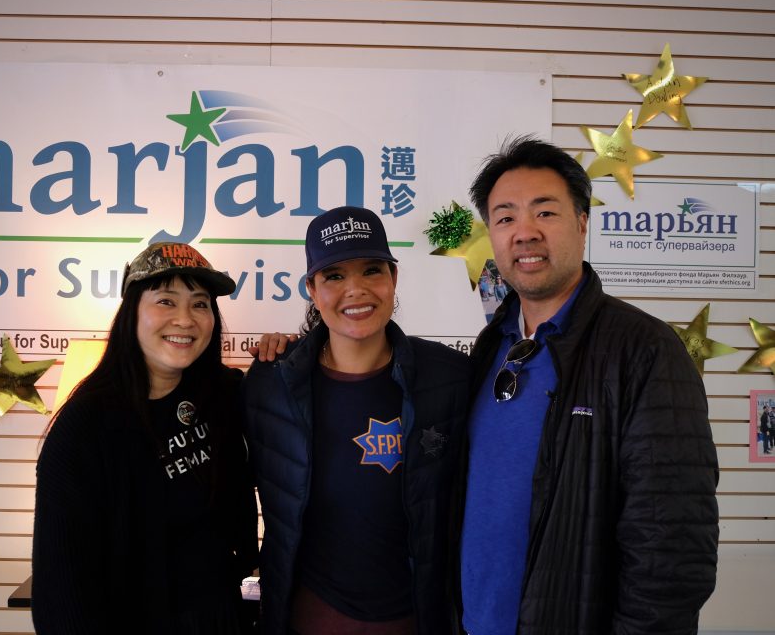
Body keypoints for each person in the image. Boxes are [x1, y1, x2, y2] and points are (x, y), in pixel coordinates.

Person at [451, 136, 720, 634]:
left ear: (581, 223)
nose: (524, 233)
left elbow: (672, 546)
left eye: (545, 213)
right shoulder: (492, 346)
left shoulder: (645, 350)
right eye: (506, 218)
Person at [244, 206, 471, 635]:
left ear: (393, 279)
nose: (356, 289)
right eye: (334, 276)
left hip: (419, 618)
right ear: (312, 288)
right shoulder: (270, 383)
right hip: (310, 616)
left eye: (371, 270)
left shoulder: (450, 377)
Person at [32, 242, 258, 634]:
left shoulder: (223, 393)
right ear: (131, 312)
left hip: (223, 616)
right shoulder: (84, 428)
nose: (186, 319)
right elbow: (60, 591)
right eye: (166, 301)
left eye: (200, 304)